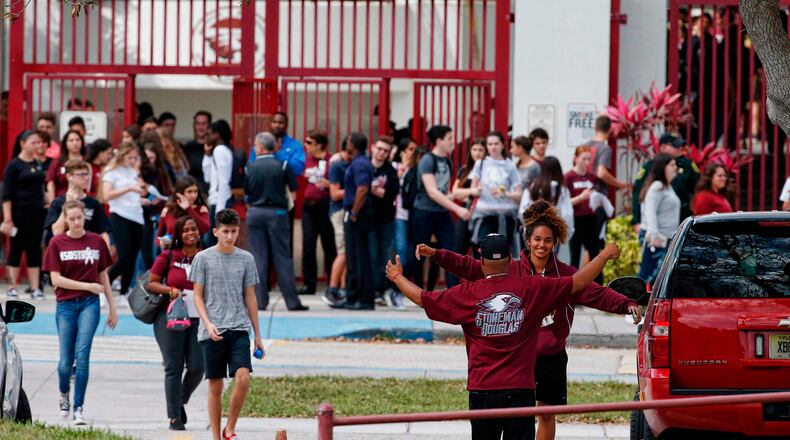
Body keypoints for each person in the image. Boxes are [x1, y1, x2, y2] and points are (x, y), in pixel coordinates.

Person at [417, 201, 639, 440]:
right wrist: (438, 255)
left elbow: (595, 292)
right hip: (519, 357)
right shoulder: (509, 270)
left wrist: (625, 304)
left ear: (555, 243)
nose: (541, 245)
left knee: (546, 413)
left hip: (550, 354)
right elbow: (471, 267)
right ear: (528, 240)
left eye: (547, 241)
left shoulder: (566, 275)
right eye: (537, 240)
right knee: (517, 417)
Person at [190, 208, 264, 440]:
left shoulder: (246, 259)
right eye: (225, 231)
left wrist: (258, 335)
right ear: (215, 231)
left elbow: (250, 296)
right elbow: (198, 296)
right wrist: (207, 322)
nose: (229, 236)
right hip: (212, 331)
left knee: (243, 377)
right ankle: (215, 436)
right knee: (215, 386)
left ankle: (229, 428)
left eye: (233, 231)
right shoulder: (202, 258)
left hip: (239, 327)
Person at [42, 200, 118, 426]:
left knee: (82, 356)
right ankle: (63, 393)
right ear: (65, 219)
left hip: (90, 304)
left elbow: (103, 274)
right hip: (65, 305)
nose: (76, 222)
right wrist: (87, 286)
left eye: (80, 217)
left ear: (84, 216)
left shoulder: (95, 241)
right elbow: (56, 280)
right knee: (66, 362)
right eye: (72, 218)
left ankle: (79, 408)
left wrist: (112, 308)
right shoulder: (57, 243)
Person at [146, 215, 205, 431]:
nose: (191, 233)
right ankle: (174, 417)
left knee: (198, 366)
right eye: (186, 230)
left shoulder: (205, 256)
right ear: (179, 234)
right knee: (173, 367)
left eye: (194, 229)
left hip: (198, 318)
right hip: (170, 318)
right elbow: (151, 283)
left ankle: (179, 401)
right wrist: (170, 290)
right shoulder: (168, 256)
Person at [245, 132, 308, 312]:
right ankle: (292, 301)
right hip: (277, 212)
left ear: (261, 147)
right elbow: (293, 191)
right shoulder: (283, 165)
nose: (255, 149)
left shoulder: (251, 166)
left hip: (255, 212)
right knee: (282, 257)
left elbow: (247, 192)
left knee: (258, 258)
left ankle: (260, 301)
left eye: (256, 146)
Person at [411, 125, 469, 288]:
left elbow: (445, 191)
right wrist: (457, 208)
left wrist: (458, 194)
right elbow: (433, 192)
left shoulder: (447, 160)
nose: (453, 142)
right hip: (424, 212)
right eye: (449, 138)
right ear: (439, 141)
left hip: (442, 213)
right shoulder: (428, 160)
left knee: (451, 252)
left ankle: (454, 291)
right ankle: (415, 290)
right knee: (419, 253)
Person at [2, 130, 47, 299]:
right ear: (22, 143)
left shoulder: (37, 163)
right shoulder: (13, 165)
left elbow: (41, 189)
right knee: (16, 248)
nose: (36, 146)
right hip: (19, 213)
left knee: (34, 249)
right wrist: (8, 218)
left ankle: (35, 288)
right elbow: (6, 194)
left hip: (37, 213)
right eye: (33, 142)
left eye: (38, 143)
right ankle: (12, 287)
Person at [102, 143, 147, 302]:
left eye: (135, 157)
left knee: (133, 256)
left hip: (137, 215)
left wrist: (143, 197)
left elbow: (139, 190)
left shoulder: (133, 172)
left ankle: (124, 292)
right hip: (120, 214)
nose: (133, 160)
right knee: (124, 256)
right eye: (130, 157)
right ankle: (102, 288)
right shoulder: (111, 172)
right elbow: (106, 195)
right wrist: (129, 189)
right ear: (121, 156)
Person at [632, 133, 699, 234]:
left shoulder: (686, 164)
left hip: (682, 218)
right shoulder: (650, 167)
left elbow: (698, 186)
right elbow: (639, 193)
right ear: (663, 147)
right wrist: (637, 220)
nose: (680, 148)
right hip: (660, 225)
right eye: (675, 146)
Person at [468, 131, 522, 254]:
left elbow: (519, 195)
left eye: (496, 143)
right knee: (482, 251)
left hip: (505, 215)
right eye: (490, 144)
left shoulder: (510, 166)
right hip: (484, 214)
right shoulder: (480, 163)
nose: (493, 147)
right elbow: (472, 189)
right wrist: (477, 190)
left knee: (503, 254)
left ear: (503, 145)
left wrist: (505, 194)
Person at [298, 129, 336, 297]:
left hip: (326, 205)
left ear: (319, 145)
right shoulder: (305, 160)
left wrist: (329, 183)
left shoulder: (332, 161)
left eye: (309, 142)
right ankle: (309, 284)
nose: (305, 145)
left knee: (329, 246)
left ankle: (332, 284)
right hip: (309, 206)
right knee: (308, 247)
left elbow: (338, 181)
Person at [342, 133, 376, 310]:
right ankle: (353, 297)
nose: (345, 144)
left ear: (353, 145)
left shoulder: (360, 164)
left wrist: (354, 212)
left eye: (348, 142)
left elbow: (362, 189)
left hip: (358, 214)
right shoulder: (357, 162)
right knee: (353, 257)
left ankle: (363, 299)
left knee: (359, 256)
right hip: (356, 212)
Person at [46, 160, 111, 248]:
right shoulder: (57, 203)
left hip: (89, 250)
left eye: (87, 174)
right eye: (81, 175)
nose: (86, 178)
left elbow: (104, 232)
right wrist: (67, 204)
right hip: (65, 250)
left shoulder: (93, 203)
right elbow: (56, 232)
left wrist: (106, 253)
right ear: (69, 176)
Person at [637, 154, 680, 284]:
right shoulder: (657, 186)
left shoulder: (667, 186)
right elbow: (649, 211)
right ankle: (633, 301)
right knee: (648, 277)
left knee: (656, 277)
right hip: (656, 239)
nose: (675, 168)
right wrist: (654, 236)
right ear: (663, 167)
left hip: (665, 238)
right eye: (672, 165)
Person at [368, 136, 400, 306]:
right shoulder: (364, 165)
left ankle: (380, 290)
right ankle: (372, 290)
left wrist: (372, 189)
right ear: (373, 147)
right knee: (371, 254)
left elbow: (391, 194)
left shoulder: (390, 170)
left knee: (384, 255)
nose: (381, 153)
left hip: (386, 219)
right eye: (379, 149)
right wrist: (377, 191)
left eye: (385, 151)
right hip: (368, 219)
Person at [389, 138, 420, 309]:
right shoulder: (394, 168)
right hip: (398, 216)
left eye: (414, 149)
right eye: (409, 148)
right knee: (401, 254)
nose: (412, 152)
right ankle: (394, 291)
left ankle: (401, 291)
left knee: (410, 254)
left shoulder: (416, 170)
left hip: (413, 216)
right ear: (401, 151)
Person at [565, 146, 603, 275]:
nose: (587, 162)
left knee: (595, 254)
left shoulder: (592, 177)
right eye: (584, 159)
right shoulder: (568, 177)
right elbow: (564, 203)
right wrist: (581, 197)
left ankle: (597, 286)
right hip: (575, 219)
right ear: (576, 158)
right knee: (575, 255)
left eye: (589, 159)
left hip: (591, 219)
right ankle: (573, 286)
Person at [323, 142, 351, 307]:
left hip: (346, 211)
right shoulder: (337, 165)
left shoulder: (351, 164)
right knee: (343, 251)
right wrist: (356, 189)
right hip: (339, 212)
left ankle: (342, 288)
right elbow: (334, 194)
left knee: (346, 252)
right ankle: (332, 289)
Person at [520, 156, 574, 238]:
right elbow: (567, 213)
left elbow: (522, 211)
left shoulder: (532, 187)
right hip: (553, 231)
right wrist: (568, 232)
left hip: (533, 231)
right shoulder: (561, 190)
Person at [452, 138, 486, 258]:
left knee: (479, 254)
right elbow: (455, 192)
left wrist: (465, 194)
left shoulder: (489, 170)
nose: (477, 153)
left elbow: (483, 193)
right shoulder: (464, 169)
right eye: (474, 149)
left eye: (481, 150)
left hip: (482, 215)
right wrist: (472, 191)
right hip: (465, 212)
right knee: (457, 251)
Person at [202, 120, 234, 245]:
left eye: (209, 134)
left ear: (217, 134)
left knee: (210, 239)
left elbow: (223, 180)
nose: (206, 137)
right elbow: (208, 178)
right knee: (211, 239)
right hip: (217, 201)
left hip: (220, 202)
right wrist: (207, 156)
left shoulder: (220, 150)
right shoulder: (218, 151)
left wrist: (220, 209)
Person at [587, 116, 628, 194]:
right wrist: (619, 184)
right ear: (610, 130)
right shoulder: (605, 148)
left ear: (595, 128)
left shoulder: (584, 146)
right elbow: (601, 173)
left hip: (584, 191)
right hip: (598, 191)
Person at [47, 130, 87, 200]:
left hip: (85, 199)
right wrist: (52, 201)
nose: (75, 143)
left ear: (82, 142)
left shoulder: (88, 161)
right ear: (65, 143)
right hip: (62, 200)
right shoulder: (58, 162)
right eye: (71, 140)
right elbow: (51, 183)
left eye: (77, 140)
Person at [182, 110, 212, 193]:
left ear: (209, 126)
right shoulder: (188, 147)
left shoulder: (213, 147)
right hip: (192, 190)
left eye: (204, 123)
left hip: (210, 190)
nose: (200, 127)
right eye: (198, 123)